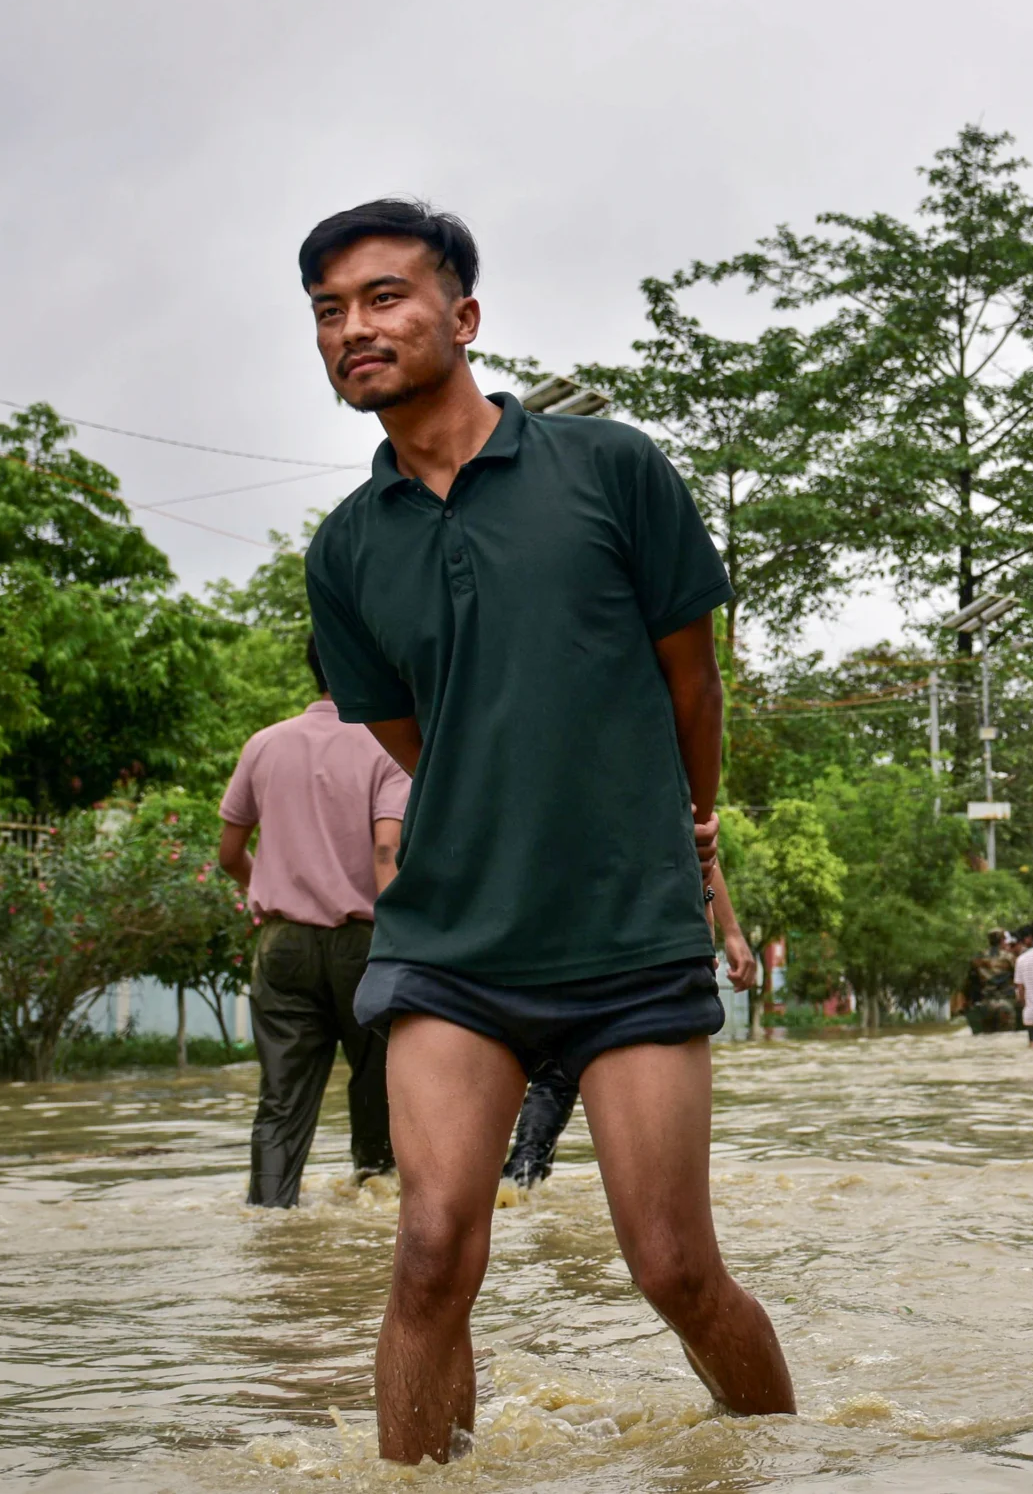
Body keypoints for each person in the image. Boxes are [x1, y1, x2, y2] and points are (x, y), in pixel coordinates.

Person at [296, 199, 792, 1462]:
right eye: (329, 311)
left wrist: (680, 831)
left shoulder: (611, 467)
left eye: (385, 297)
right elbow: (415, 735)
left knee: (675, 1267)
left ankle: (789, 1464)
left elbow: (694, 681)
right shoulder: (346, 550)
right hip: (452, 943)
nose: (356, 327)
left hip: (630, 936)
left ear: (462, 317)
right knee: (425, 1252)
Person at [217, 637, 411, 1207]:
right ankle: (375, 1202)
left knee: (282, 1099)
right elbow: (386, 854)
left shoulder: (264, 745)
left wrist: (272, 894)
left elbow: (230, 853)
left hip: (282, 946)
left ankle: (270, 1221)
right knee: (378, 1089)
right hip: (364, 945)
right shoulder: (387, 746)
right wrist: (403, 941)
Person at [502, 861, 760, 1191]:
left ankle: (522, 1175)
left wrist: (724, 921)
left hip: (559, 926)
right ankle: (525, 1174)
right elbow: (699, 835)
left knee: (556, 1071)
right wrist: (722, 921)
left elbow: (699, 836)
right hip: (634, 937)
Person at [962, 931, 1018, 1034]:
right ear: (1002, 941)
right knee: (1006, 1038)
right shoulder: (1009, 957)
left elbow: (969, 983)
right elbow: (1019, 978)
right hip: (1005, 1002)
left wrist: (967, 1003)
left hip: (984, 1005)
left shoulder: (978, 958)